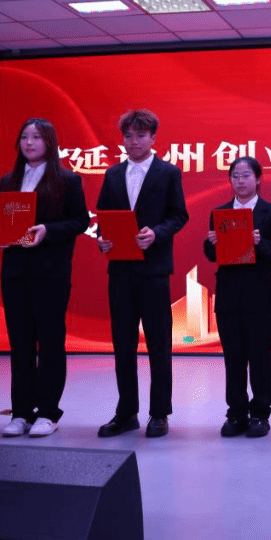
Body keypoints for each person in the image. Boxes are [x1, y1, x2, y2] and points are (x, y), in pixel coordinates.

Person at [0, 118, 89, 438]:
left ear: (49, 142)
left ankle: (48, 412)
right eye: (24, 137)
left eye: (36, 137)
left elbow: (79, 221)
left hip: (50, 273)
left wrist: (48, 230)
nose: (29, 143)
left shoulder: (67, 180)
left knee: (49, 343)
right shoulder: (9, 180)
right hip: (15, 273)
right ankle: (20, 412)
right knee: (20, 344)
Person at [96, 109, 188, 438]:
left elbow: (179, 215)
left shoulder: (168, 173)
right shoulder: (112, 174)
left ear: (153, 138)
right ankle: (126, 412)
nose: (133, 141)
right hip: (120, 269)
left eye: (140, 135)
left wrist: (157, 233)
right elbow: (104, 216)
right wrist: (102, 239)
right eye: (128, 136)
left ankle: (159, 413)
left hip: (154, 270)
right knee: (122, 344)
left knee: (159, 344)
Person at [203, 157, 271, 438]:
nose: (240, 181)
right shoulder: (220, 213)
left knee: (260, 357)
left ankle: (260, 414)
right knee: (233, 358)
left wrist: (260, 243)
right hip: (228, 295)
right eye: (235, 176)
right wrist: (211, 243)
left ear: (258, 179)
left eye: (246, 175)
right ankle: (236, 413)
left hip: (259, 294)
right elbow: (212, 254)